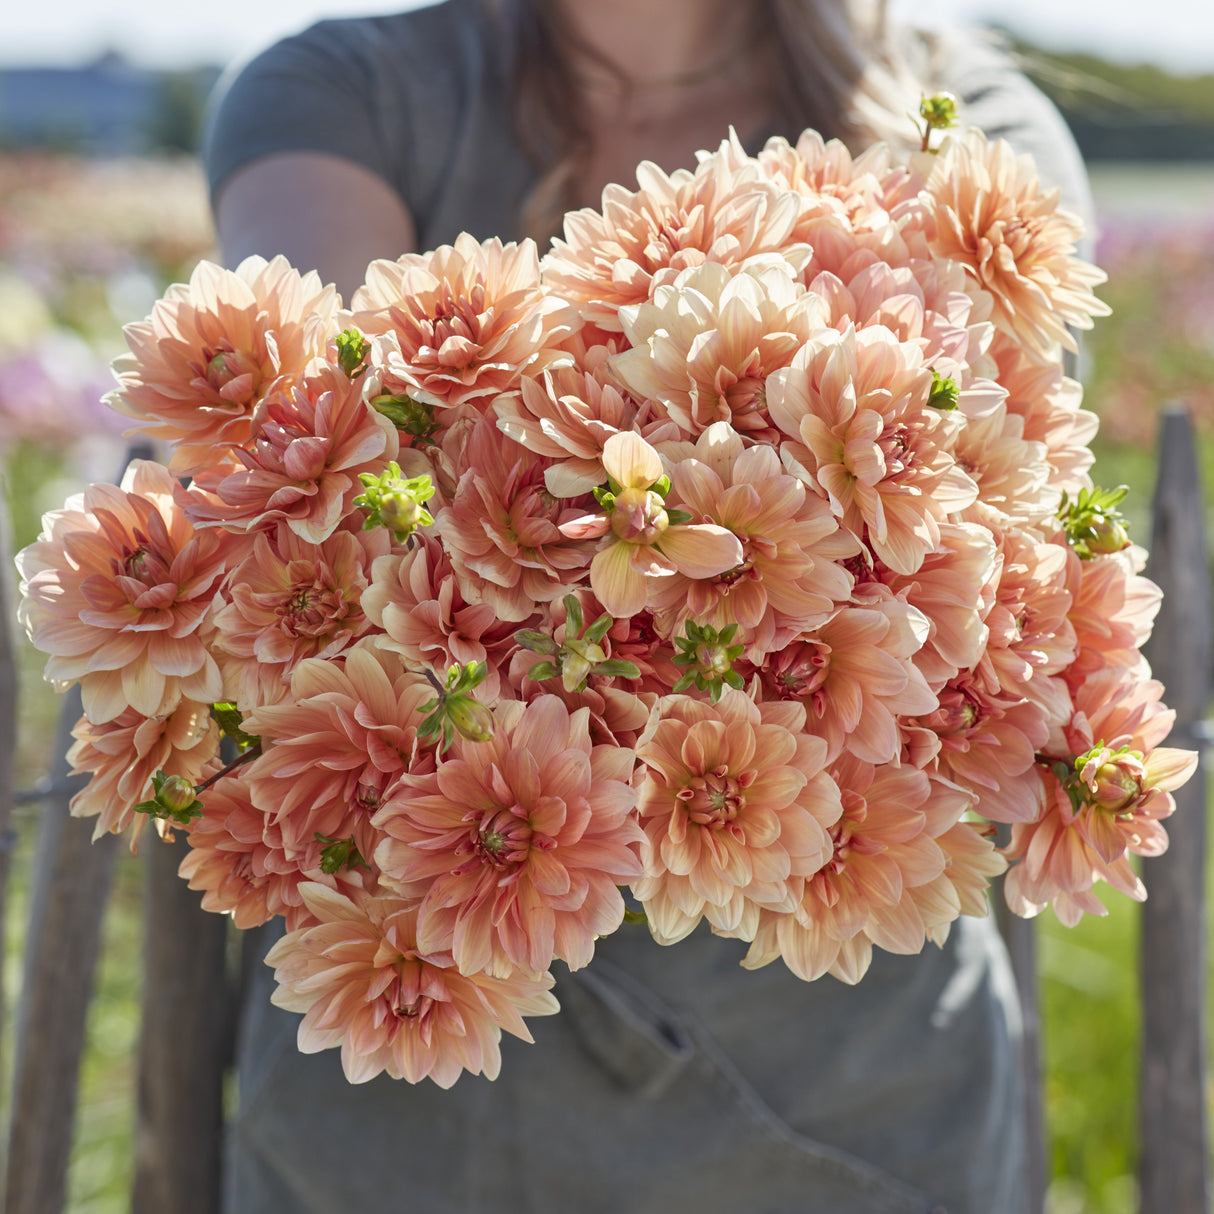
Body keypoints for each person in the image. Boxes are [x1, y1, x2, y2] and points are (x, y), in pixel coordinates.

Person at [201, 3, 1094, 1211]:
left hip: (846, 1090)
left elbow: (989, 486)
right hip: (422, 1100)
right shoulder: (348, 91)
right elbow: (303, 430)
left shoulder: (960, 130)